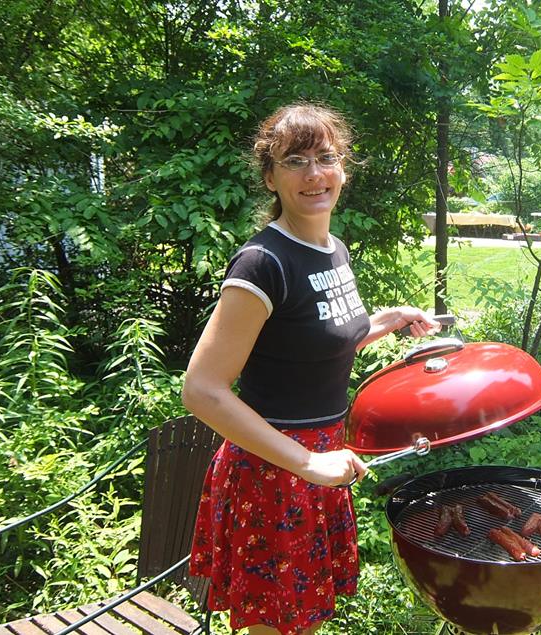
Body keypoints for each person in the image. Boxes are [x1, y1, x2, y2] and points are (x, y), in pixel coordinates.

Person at [182, 103, 440, 635]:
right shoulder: (262, 264)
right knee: (274, 626)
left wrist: (389, 319)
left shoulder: (332, 250)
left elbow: (316, 341)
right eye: (295, 160)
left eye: (326, 157)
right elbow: (202, 390)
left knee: (301, 620)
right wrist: (305, 463)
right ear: (271, 177)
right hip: (272, 472)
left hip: (319, 458)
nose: (314, 174)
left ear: (343, 167)